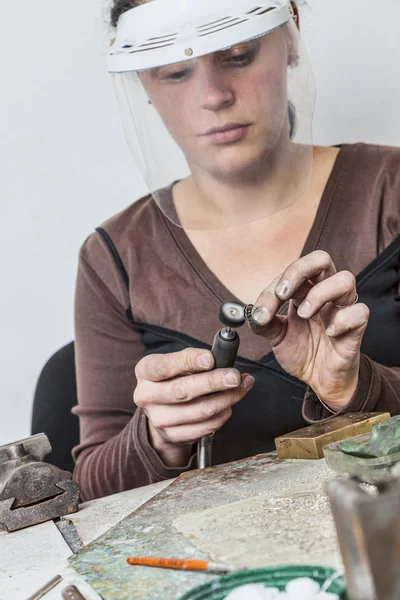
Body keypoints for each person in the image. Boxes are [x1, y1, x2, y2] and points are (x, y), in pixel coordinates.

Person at [72, 0, 400, 501]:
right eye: (175, 71)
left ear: (290, 37)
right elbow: (91, 488)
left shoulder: (390, 192)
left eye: (239, 54)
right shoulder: (113, 258)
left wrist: (354, 390)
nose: (213, 95)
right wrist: (159, 437)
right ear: (142, 80)